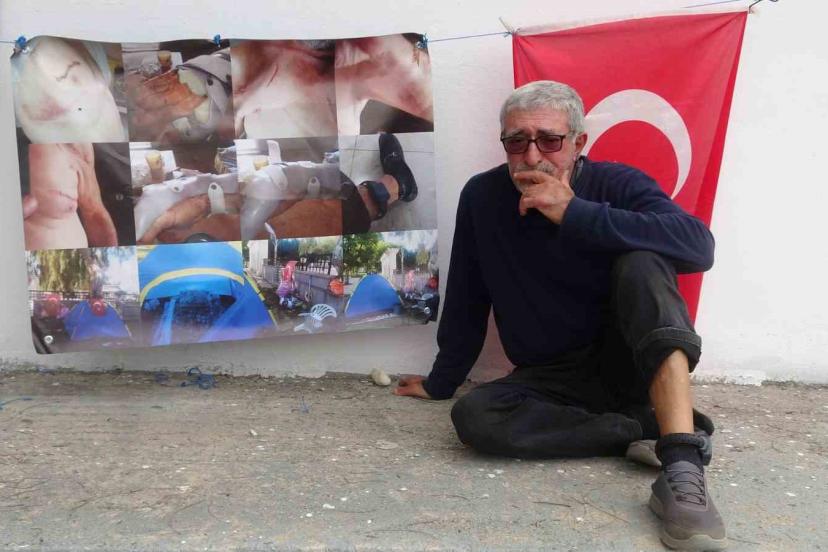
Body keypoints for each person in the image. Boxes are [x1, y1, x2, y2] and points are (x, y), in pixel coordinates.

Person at [393, 81, 726, 551]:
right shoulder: (483, 196)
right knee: (475, 418)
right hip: (552, 377)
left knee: (645, 261)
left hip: (633, 366)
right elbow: (469, 294)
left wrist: (574, 212)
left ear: (578, 142)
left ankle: (682, 465)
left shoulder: (617, 184)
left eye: (549, 140)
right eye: (517, 141)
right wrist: (442, 381)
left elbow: (697, 246)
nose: (532, 156)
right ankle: (638, 430)